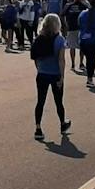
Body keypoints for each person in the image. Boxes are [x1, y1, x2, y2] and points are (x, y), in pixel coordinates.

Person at [30, 13, 70, 142]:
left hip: (42, 73)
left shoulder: (38, 39)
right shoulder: (59, 39)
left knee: (40, 101)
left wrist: (40, 69)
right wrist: (62, 77)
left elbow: (35, 58)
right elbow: (61, 60)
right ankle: (62, 123)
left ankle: (38, 127)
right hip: (54, 73)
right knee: (59, 102)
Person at [62, 0, 84, 72]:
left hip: (71, 28)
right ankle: (81, 63)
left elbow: (62, 14)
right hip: (81, 29)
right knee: (82, 47)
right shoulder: (83, 6)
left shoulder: (69, 6)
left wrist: (65, 24)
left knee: (72, 47)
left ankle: (73, 64)